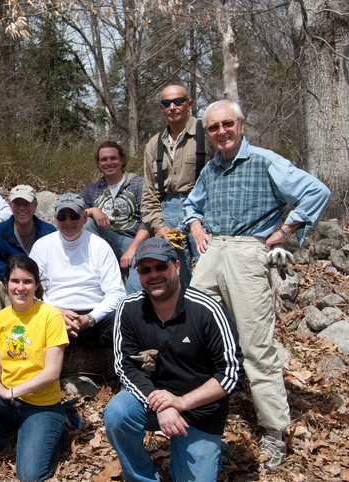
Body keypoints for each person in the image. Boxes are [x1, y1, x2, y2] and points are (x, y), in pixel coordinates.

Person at [184, 99, 330, 470]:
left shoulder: (265, 161)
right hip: (212, 250)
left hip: (249, 252)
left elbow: (316, 192)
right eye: (213, 128)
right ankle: (202, 410)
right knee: (193, 331)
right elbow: (191, 205)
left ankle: (273, 431)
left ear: (241, 125)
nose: (221, 132)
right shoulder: (211, 169)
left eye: (227, 125)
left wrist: (283, 231)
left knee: (255, 344)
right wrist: (196, 225)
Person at [104, 237, 243, 481]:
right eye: (145, 270)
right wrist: (163, 404)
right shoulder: (129, 308)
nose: (153, 275)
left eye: (160, 267)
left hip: (200, 410)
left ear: (176, 266)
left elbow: (230, 373)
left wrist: (181, 403)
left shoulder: (207, 310)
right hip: (153, 399)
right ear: (138, 274)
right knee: (117, 412)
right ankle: (141, 477)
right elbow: (123, 365)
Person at [0, 256, 69, 482]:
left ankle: (55, 432)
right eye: (15, 281)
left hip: (42, 405)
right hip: (8, 402)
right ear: (6, 283)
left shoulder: (51, 316)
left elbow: (52, 372)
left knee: (30, 476)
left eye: (27, 282)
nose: (21, 288)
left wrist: (12, 391)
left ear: (37, 285)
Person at [29, 193, 125, 362]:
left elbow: (116, 293)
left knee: (124, 318)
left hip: (94, 315)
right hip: (53, 313)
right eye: (62, 217)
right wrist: (56, 313)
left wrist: (90, 318)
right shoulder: (41, 246)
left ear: (84, 218)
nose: (68, 222)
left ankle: (122, 377)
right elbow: (30, 290)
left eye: (74, 216)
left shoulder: (100, 246)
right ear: (55, 219)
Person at [141, 82, 206, 286]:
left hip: (203, 213)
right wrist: (160, 228)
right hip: (168, 215)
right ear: (162, 108)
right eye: (166, 103)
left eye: (178, 101)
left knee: (208, 271)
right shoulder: (154, 144)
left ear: (190, 104)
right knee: (175, 276)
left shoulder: (206, 134)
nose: (173, 107)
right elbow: (149, 193)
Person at [0, 184, 55, 334]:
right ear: (10, 206)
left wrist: (34, 279)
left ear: (34, 206)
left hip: (40, 285)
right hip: (9, 283)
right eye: (17, 204)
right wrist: (13, 275)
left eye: (26, 204)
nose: (21, 208)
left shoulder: (48, 232)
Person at [82, 141, 149, 293]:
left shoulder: (138, 184)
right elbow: (74, 213)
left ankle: (132, 309)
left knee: (136, 285)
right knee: (86, 223)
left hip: (134, 241)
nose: (109, 162)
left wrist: (132, 249)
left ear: (122, 160)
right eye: (104, 159)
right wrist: (92, 210)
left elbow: (149, 220)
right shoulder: (92, 189)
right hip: (104, 241)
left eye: (113, 158)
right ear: (98, 164)